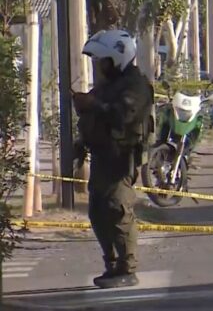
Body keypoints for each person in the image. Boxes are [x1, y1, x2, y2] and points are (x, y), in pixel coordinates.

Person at [73, 29, 154, 289]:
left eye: (102, 61)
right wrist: (81, 140)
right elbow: (94, 117)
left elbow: (123, 116)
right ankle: (112, 263)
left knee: (117, 209)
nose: (99, 66)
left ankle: (127, 268)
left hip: (121, 158)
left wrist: (93, 105)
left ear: (117, 59)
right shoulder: (108, 85)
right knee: (97, 211)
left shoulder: (135, 86)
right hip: (102, 155)